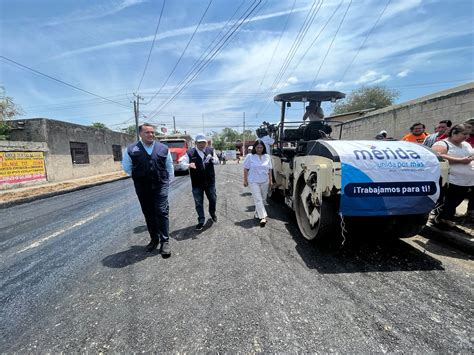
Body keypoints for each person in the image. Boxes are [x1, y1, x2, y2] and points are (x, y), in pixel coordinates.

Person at [122, 123, 174, 255]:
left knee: (161, 211)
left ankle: (165, 241)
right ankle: (154, 239)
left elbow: (169, 166)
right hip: (142, 187)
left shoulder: (163, 148)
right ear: (140, 134)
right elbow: (127, 168)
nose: (151, 134)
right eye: (147, 132)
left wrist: (167, 181)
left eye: (152, 132)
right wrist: (140, 177)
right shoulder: (131, 149)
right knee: (148, 213)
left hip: (160, 185)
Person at [431, 124, 474, 227]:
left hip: (465, 181)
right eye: (464, 134)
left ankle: (447, 218)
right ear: (454, 132)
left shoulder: (466, 145)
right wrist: (461, 161)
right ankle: (440, 220)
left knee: (456, 201)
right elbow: (438, 156)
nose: (467, 136)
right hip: (450, 180)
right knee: (447, 201)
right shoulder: (443, 143)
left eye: (468, 134)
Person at [180, 133, 219, 230]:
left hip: (210, 181)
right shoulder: (190, 153)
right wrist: (189, 165)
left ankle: (212, 212)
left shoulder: (210, 150)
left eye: (204, 142)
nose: (202, 144)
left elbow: (217, 161)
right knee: (198, 202)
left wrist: (213, 159)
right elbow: (181, 163)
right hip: (197, 183)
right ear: (196, 143)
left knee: (213, 199)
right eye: (200, 142)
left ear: (206, 142)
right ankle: (201, 220)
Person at [243, 139, 273, 227]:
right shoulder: (250, 156)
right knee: (258, 199)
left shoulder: (267, 157)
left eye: (261, 147)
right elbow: (245, 168)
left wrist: (271, 180)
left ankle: (257, 214)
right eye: (257, 147)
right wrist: (245, 180)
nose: (259, 149)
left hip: (265, 181)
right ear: (255, 148)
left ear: (263, 148)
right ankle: (263, 217)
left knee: (263, 199)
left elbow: (270, 169)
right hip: (253, 181)